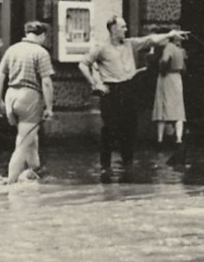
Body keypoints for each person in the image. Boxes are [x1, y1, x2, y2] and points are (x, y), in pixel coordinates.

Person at [79, 16, 188, 176]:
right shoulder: (101, 47)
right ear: (113, 29)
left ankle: (127, 164)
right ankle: (105, 166)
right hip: (111, 89)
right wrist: (95, 84)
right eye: (122, 27)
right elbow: (83, 64)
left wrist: (169, 34)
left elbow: (151, 40)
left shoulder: (130, 44)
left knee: (129, 126)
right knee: (109, 128)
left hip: (128, 87)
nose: (126, 29)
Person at [0, 21, 55, 184]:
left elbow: (0, 77)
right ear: (42, 35)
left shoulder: (11, 49)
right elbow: (47, 82)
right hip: (29, 97)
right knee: (22, 143)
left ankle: (35, 171)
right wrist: (49, 107)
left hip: (10, 95)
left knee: (30, 139)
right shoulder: (41, 53)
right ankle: (10, 181)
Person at [152, 29, 187, 145]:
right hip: (178, 79)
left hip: (167, 78)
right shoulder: (180, 50)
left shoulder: (168, 48)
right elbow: (184, 69)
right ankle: (178, 138)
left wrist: (162, 69)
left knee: (163, 107)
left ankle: (160, 139)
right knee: (178, 108)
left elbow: (164, 61)